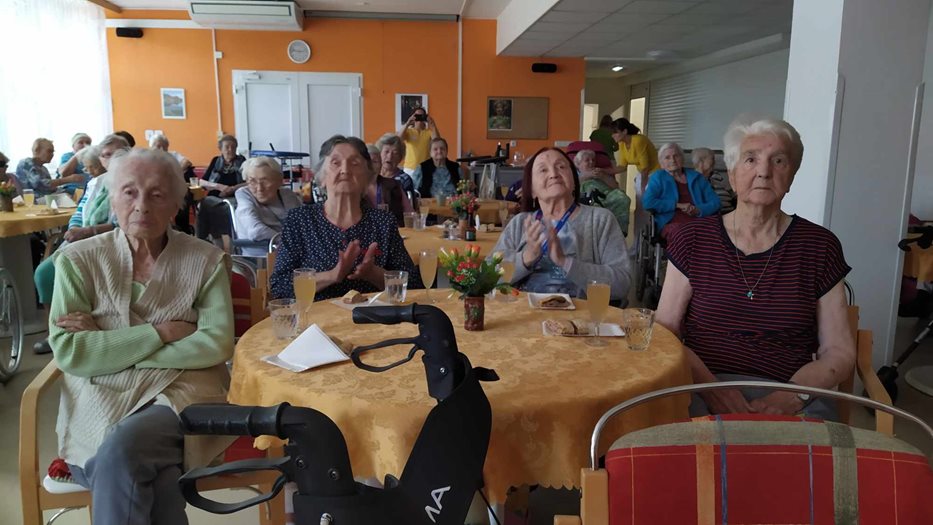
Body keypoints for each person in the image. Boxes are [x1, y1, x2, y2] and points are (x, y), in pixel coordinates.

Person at [49, 147, 234, 524]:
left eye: (157, 194)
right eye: (129, 192)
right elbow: (71, 352)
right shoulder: (77, 261)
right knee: (153, 477)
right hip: (102, 393)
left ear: (176, 205)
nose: (142, 206)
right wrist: (161, 332)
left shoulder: (205, 260)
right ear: (112, 199)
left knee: (120, 450)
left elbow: (216, 343)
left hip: (182, 391)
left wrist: (111, 343)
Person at [655, 117, 854, 421]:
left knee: (808, 450)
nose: (764, 171)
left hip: (793, 392)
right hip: (700, 387)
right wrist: (712, 389)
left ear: (791, 176)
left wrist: (792, 396)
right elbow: (664, 332)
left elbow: (839, 351)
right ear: (732, 175)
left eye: (778, 160)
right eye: (751, 159)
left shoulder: (819, 246)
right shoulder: (692, 239)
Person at [270, 135, 421, 301]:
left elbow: (413, 284)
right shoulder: (299, 220)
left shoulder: (383, 222)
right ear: (321, 178)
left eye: (354, 163)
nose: (345, 170)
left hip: (372, 315)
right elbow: (279, 286)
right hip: (316, 316)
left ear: (367, 178)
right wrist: (332, 275)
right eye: (336, 163)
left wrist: (374, 274)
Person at [31, 134, 132, 356]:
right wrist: (74, 229)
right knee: (44, 273)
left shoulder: (132, 182)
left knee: (79, 277)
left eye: (116, 153)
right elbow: (80, 211)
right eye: (105, 155)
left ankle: (88, 330)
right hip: (81, 240)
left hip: (111, 242)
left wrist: (89, 232)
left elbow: (123, 224)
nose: (110, 158)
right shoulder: (96, 182)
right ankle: (56, 329)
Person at [491, 147, 631, 300]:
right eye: (543, 170)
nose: (554, 174)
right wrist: (527, 257)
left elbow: (622, 283)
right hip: (523, 312)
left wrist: (566, 262)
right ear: (531, 189)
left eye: (561, 167)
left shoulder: (600, 220)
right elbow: (489, 276)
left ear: (574, 180)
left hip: (580, 314)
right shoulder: (520, 223)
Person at [643, 142, 720, 238]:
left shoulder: (697, 177)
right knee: (684, 234)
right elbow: (648, 203)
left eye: (676, 156)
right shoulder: (658, 177)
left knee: (716, 235)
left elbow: (716, 202)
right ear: (661, 164)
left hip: (700, 221)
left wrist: (698, 210)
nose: (673, 160)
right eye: (667, 158)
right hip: (672, 223)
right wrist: (677, 205)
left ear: (682, 159)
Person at [234, 156, 302, 256]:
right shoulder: (244, 194)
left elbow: (302, 226)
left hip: (293, 255)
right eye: (252, 181)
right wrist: (289, 243)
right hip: (261, 259)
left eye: (265, 181)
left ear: (279, 181)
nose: (259, 188)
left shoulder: (287, 195)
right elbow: (256, 231)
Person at [609, 118, 660, 246]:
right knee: (639, 210)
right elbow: (622, 167)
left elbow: (645, 167)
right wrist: (603, 171)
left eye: (615, 132)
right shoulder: (622, 144)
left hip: (656, 173)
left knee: (645, 206)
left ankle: (649, 241)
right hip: (643, 173)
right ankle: (637, 244)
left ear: (624, 131)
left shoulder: (638, 140)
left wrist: (642, 189)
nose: (612, 135)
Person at [573, 149, 631, 235]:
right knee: (595, 203)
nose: (591, 162)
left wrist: (603, 176)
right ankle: (597, 233)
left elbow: (616, 187)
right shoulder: (574, 174)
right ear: (578, 164)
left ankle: (619, 232)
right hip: (587, 198)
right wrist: (587, 175)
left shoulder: (600, 172)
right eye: (587, 160)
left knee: (623, 198)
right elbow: (571, 186)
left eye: (593, 160)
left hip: (606, 196)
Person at [16, 138, 84, 196]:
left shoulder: (43, 169)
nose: (52, 154)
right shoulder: (26, 163)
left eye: (53, 152)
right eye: (49, 151)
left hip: (47, 198)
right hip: (33, 200)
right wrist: (68, 179)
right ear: (37, 150)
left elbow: (51, 188)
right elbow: (39, 184)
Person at [364, 144, 411, 226]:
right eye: (368, 162)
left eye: (375, 161)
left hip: (394, 231)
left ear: (381, 165)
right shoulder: (354, 189)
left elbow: (409, 213)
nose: (371, 166)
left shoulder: (393, 185)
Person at [397, 106, 439, 179]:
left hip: (425, 168)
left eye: (421, 116)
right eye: (417, 116)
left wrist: (432, 124)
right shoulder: (408, 131)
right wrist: (407, 123)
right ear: (413, 117)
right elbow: (398, 139)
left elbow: (437, 141)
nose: (419, 118)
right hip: (410, 168)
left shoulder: (429, 132)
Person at [693, 147, 735, 213]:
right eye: (712, 158)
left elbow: (731, 191)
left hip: (731, 211)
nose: (714, 161)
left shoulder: (716, 175)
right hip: (714, 214)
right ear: (701, 161)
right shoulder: (693, 179)